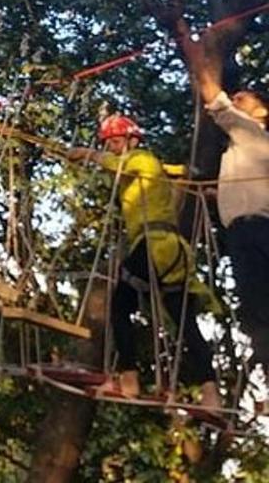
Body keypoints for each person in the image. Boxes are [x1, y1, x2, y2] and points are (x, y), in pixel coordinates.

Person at [67, 114, 222, 409]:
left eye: (115, 141)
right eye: (108, 143)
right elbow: (171, 169)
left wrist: (86, 153)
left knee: (120, 305)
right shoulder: (153, 167)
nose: (112, 147)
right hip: (172, 252)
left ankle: (129, 378)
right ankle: (211, 392)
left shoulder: (141, 159)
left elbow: (119, 164)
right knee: (185, 323)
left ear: (132, 140)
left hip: (154, 246)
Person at [179, 31, 269, 400]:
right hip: (252, 230)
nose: (236, 99)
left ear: (262, 110)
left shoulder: (252, 132)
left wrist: (188, 45)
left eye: (244, 98)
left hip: (253, 233)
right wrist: (214, 192)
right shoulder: (249, 150)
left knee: (257, 312)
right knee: (257, 312)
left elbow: (212, 98)